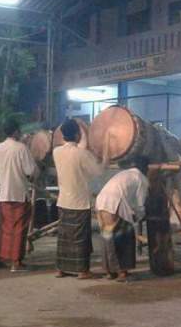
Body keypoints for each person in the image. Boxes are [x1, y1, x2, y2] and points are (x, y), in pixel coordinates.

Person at [52, 119, 103, 280]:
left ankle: (62, 269)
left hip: (63, 201)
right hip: (79, 202)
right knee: (80, 238)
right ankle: (82, 270)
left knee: (65, 238)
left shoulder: (56, 152)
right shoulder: (82, 154)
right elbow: (96, 172)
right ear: (77, 134)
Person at [0, 118, 37, 272]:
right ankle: (15, 262)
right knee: (19, 228)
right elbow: (31, 171)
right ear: (16, 131)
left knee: (3, 228)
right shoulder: (21, 148)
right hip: (18, 194)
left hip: (4, 193)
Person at [95, 157, 150, 282]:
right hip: (115, 203)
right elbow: (140, 205)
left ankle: (109, 271)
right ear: (146, 169)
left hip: (101, 201)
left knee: (106, 235)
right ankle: (122, 272)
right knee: (124, 235)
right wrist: (140, 216)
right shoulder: (141, 178)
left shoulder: (124, 173)